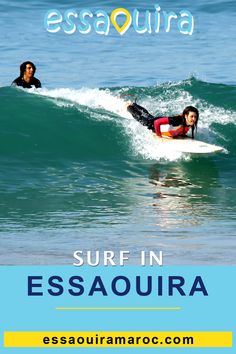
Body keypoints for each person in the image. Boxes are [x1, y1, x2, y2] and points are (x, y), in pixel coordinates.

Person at [127, 102, 199, 139]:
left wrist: (183, 136)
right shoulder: (177, 120)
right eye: (192, 116)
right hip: (153, 124)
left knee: (147, 115)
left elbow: (181, 130)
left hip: (160, 121)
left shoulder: (190, 123)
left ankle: (134, 104)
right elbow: (156, 122)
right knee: (140, 118)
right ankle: (129, 107)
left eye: (195, 117)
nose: (194, 119)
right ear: (186, 116)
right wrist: (159, 136)